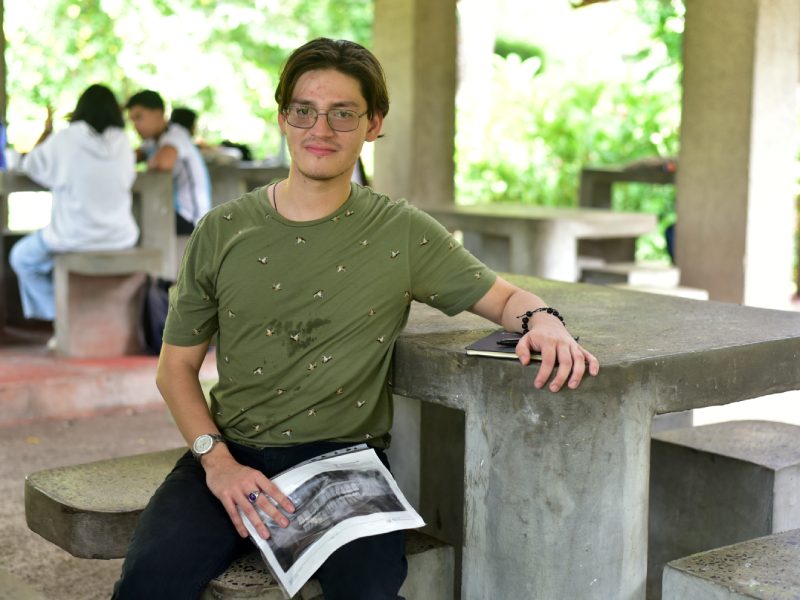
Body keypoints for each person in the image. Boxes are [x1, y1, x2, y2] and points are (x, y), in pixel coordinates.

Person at [112, 38, 600, 600]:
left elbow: (505, 297)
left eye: (343, 113)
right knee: (146, 584)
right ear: (283, 118)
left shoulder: (403, 232)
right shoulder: (222, 229)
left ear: (373, 124)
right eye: (305, 110)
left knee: (369, 591)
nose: (321, 128)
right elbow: (175, 369)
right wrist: (216, 462)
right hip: (230, 451)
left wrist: (545, 322)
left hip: (343, 466)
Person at [9, 84, 138, 323]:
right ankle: (70, 316)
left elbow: (29, 164)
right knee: (47, 256)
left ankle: (60, 317)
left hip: (73, 236)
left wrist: (46, 131)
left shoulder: (66, 138)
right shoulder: (123, 142)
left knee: (21, 257)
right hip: (120, 236)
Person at [125, 90, 211, 234]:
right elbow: (130, 158)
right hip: (175, 214)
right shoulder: (152, 141)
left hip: (191, 219)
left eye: (139, 117)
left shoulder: (176, 135)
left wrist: (147, 163)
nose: (135, 125)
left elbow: (162, 163)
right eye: (132, 120)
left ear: (158, 113)